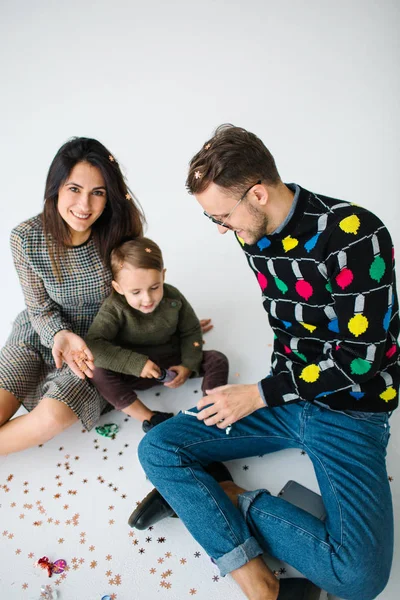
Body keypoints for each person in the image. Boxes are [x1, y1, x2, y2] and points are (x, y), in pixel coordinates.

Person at [132, 125, 399, 600]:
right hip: (284, 394)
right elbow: (286, 323)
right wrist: (256, 391)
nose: (220, 229)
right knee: (158, 450)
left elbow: (363, 360)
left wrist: (259, 393)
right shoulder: (251, 232)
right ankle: (256, 581)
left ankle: (227, 499)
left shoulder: (357, 235)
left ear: (257, 193)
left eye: (221, 216)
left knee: (361, 580)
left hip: (353, 409)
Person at [0, 136, 213, 455]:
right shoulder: (25, 238)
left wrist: (171, 322)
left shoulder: (120, 228)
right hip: (41, 333)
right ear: (55, 187)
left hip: (103, 344)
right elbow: (39, 309)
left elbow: (137, 283)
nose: (85, 206)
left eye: (97, 193)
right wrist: (59, 334)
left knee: (51, 418)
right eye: (74, 189)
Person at [85, 236, 229, 433]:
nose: (147, 299)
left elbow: (191, 330)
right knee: (96, 370)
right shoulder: (114, 308)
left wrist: (188, 365)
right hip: (134, 370)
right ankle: (150, 418)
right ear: (118, 288)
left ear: (163, 276)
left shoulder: (173, 297)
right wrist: (136, 364)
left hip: (171, 358)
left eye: (154, 287)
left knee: (217, 359)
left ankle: (212, 407)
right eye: (135, 292)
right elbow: (93, 344)